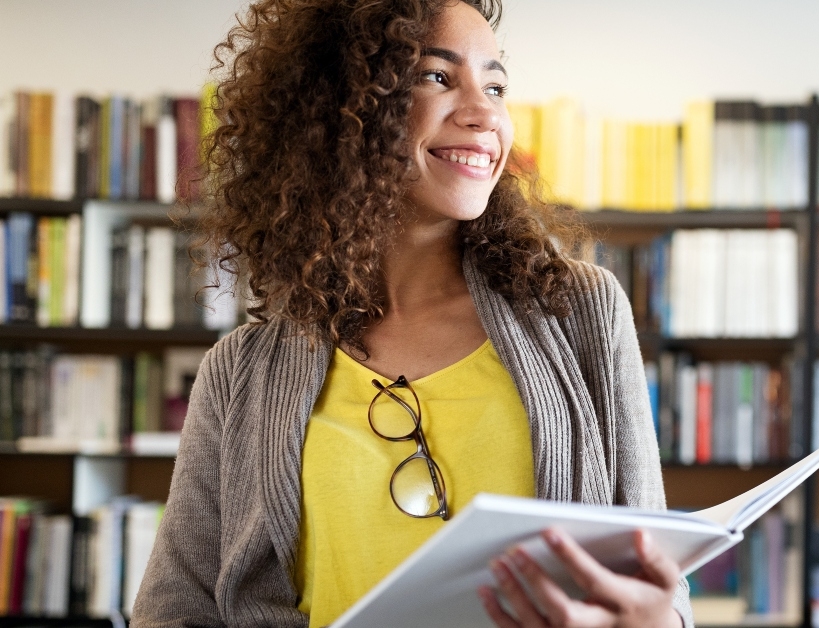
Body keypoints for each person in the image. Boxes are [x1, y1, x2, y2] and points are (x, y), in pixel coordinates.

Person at [130, 0, 693, 627]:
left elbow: (661, 592)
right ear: (341, 109)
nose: (486, 114)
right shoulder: (241, 373)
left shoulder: (581, 312)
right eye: (438, 76)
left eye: (497, 86)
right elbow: (173, 611)